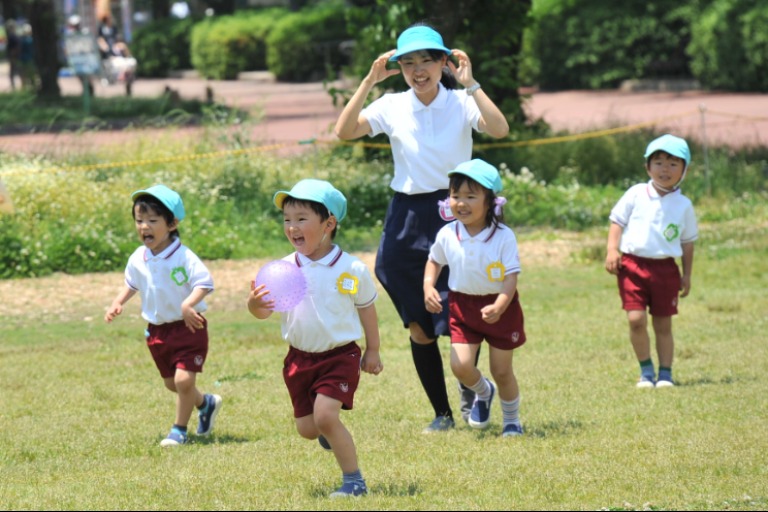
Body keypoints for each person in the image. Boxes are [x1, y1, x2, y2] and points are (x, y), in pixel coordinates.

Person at [334, 23, 510, 432]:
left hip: (457, 209)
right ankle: (442, 413)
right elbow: (343, 132)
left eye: (427, 61)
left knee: (461, 307)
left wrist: (472, 84)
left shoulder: (462, 101)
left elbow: (499, 129)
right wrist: (367, 82)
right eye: (408, 62)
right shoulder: (392, 104)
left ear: (443, 64)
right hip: (406, 212)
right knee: (410, 306)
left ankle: (473, 388)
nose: (418, 70)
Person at [247, 179, 383, 498]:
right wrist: (254, 304)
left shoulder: (351, 269)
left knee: (325, 416)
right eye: (287, 220)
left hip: (340, 356)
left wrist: (373, 350)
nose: (292, 227)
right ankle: (327, 432)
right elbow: (264, 311)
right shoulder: (282, 268)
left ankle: (354, 482)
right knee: (308, 429)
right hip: (298, 359)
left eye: (301, 219)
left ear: (328, 224)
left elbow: (367, 309)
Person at [105, 184, 222, 447]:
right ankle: (206, 404)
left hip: (189, 327)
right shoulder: (138, 258)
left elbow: (205, 283)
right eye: (139, 220)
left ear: (171, 224)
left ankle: (179, 430)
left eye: (152, 220)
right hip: (157, 331)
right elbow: (132, 283)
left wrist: (188, 305)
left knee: (183, 381)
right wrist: (117, 302)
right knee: (173, 384)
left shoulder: (183, 256)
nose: (144, 226)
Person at [424, 159, 526, 437]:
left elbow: (511, 277)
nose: (461, 202)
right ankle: (484, 391)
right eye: (456, 196)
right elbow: (434, 261)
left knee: (502, 370)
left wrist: (500, 305)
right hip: (462, 307)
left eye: (471, 196)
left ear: (491, 202)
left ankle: (512, 422)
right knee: (460, 366)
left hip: (500, 307)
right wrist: (428, 287)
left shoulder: (504, 236)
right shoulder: (447, 233)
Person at [605, 134, 698, 388]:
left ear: (684, 170)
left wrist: (686, 274)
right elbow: (617, 221)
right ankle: (646, 372)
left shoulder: (684, 205)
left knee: (663, 324)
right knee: (635, 320)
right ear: (648, 166)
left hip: (666, 269)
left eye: (672, 164)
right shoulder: (636, 193)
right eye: (658, 162)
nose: (665, 169)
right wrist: (612, 249)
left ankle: (665, 373)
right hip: (632, 266)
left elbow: (688, 243)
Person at [5, 19, 20, 91]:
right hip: (14, 55)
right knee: (14, 70)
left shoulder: (12, 36)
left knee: (14, 70)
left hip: (14, 55)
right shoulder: (13, 36)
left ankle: (14, 85)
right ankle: (13, 85)